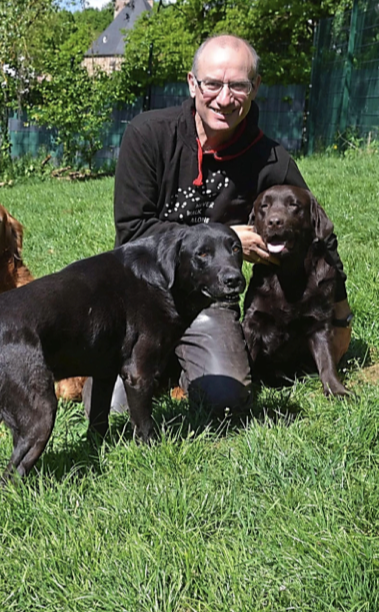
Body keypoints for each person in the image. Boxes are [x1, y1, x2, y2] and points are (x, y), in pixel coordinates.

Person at [92, 34, 351, 413]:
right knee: (114, 409)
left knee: (225, 400)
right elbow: (132, 231)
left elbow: (317, 231)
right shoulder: (148, 135)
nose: (224, 98)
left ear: (255, 87)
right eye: (212, 84)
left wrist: (340, 316)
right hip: (142, 293)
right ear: (192, 83)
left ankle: (185, 364)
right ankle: (164, 362)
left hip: (212, 300)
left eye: (238, 85)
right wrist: (226, 239)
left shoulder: (269, 159)